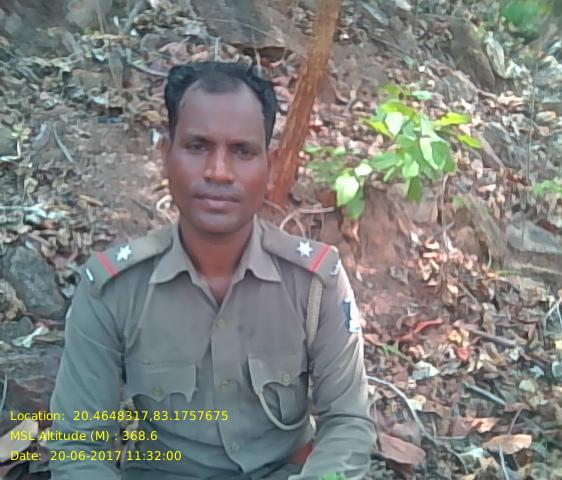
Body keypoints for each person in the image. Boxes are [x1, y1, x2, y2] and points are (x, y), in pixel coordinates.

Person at [48, 61, 376, 480]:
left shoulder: (315, 283)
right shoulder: (113, 289)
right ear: (166, 155)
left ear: (271, 164)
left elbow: (348, 423)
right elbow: (78, 444)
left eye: (243, 151)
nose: (218, 172)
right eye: (198, 146)